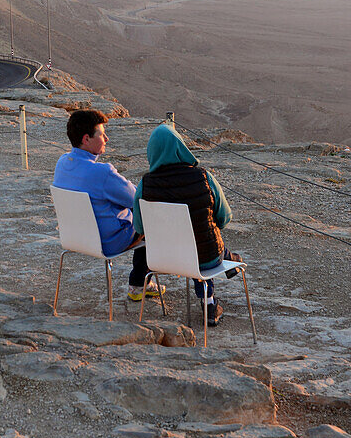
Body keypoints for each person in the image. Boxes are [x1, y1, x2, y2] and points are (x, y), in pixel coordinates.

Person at [133, 124, 238, 326]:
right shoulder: (204, 177)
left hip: (163, 260)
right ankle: (209, 301)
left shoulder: (145, 185)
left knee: (193, 248)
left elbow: (140, 228)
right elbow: (225, 219)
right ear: (181, 148)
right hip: (205, 258)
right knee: (204, 244)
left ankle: (223, 263)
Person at [53, 109, 163, 301]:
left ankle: (140, 284)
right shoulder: (102, 173)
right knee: (149, 215)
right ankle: (139, 284)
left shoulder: (62, 163)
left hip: (76, 237)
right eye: (102, 134)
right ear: (86, 139)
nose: (107, 138)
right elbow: (138, 198)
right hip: (108, 242)